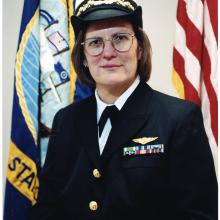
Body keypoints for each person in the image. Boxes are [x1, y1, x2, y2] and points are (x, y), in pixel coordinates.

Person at [31, 0, 217, 219]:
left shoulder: (179, 119)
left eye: (120, 38)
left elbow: (197, 214)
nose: (108, 52)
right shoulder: (66, 120)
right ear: (83, 58)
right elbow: (48, 206)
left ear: (139, 49)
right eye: (95, 42)